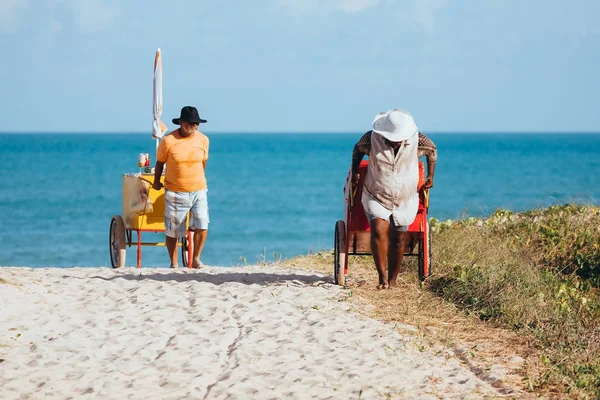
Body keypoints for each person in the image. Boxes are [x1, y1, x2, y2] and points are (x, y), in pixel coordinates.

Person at [351, 109, 437, 289]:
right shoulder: (371, 138)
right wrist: (355, 172)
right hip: (376, 193)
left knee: (399, 237)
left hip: (404, 197)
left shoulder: (418, 139)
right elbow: (357, 150)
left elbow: (432, 152)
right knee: (378, 229)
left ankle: (393, 280)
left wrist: (431, 176)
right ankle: (382, 279)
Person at [152, 106, 210, 269]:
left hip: (199, 189)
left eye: (197, 123)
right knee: (173, 230)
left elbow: (203, 162)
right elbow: (159, 163)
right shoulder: (168, 141)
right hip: (175, 191)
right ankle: (174, 263)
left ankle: (196, 259)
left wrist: (198, 179)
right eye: (191, 123)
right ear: (181, 122)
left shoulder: (203, 140)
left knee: (202, 224)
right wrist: (157, 182)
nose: (194, 126)